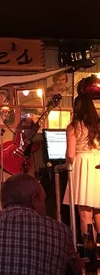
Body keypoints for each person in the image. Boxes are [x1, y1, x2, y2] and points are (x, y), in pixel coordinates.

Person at [63, 94, 100, 243]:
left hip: (83, 165)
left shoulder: (74, 126)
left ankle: (89, 255)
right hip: (98, 164)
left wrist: (66, 161)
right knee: (98, 211)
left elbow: (71, 154)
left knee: (85, 213)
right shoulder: (97, 126)